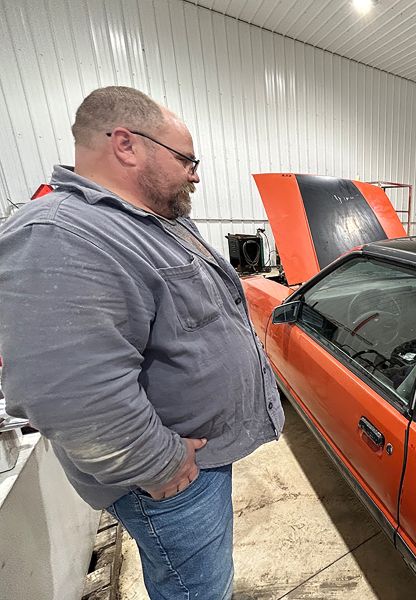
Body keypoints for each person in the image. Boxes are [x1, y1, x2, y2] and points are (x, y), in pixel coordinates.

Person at [0, 86, 285, 599]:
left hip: (191, 462)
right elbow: (67, 394)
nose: (195, 174)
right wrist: (162, 465)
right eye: (186, 160)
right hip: (168, 476)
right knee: (197, 591)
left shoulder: (155, 225)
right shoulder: (65, 234)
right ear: (127, 145)